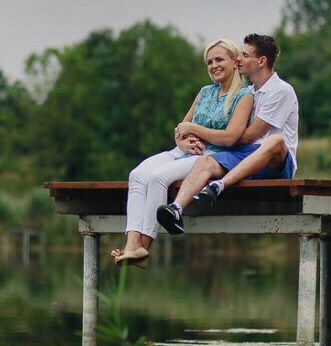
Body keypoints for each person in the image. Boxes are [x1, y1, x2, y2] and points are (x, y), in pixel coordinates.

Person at [111, 39, 253, 265]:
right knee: (137, 175)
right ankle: (131, 245)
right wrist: (183, 141)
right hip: (182, 151)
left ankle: (143, 249)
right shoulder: (205, 92)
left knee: (158, 178)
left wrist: (194, 130)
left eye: (219, 59)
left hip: (210, 155)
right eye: (209, 62)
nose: (213, 65)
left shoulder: (244, 96)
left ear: (235, 61)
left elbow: (230, 137)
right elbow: (181, 129)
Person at [156, 33, 298, 235]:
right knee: (204, 162)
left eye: (245, 55)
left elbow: (248, 136)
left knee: (275, 140)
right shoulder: (248, 91)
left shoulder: (281, 90)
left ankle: (219, 185)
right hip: (244, 154)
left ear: (261, 61)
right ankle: (176, 209)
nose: (239, 58)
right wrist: (188, 139)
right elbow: (231, 136)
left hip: (276, 162)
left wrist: (207, 132)